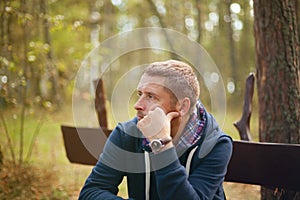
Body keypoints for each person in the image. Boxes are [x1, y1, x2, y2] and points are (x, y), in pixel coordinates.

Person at [78, 60, 233, 200]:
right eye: (140, 94)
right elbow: (91, 192)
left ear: (182, 106)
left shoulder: (215, 144)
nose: (137, 105)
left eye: (151, 96)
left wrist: (162, 145)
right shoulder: (126, 134)